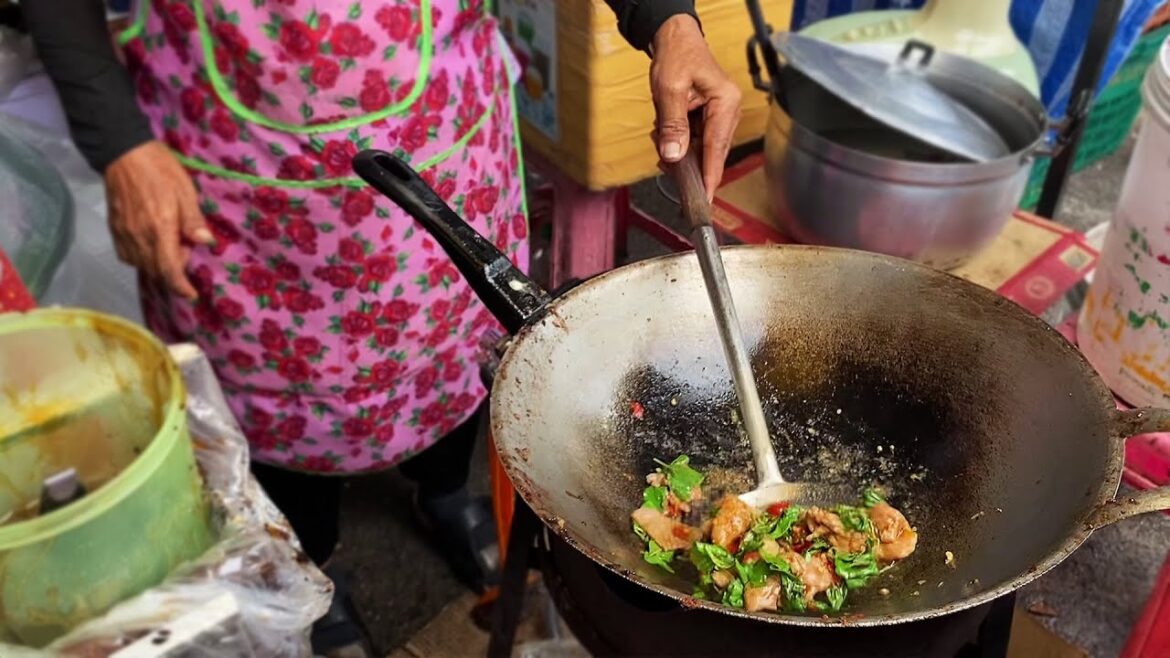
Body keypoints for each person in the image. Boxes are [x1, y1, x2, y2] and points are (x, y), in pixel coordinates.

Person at [22, 0, 740, 655]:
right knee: (279, 410)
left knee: (466, 352)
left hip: (444, 140)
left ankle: (444, 495)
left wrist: (667, 20)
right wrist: (119, 143)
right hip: (244, 182)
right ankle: (312, 565)